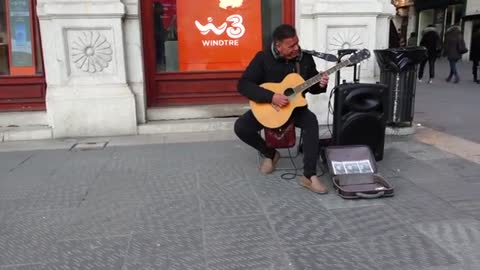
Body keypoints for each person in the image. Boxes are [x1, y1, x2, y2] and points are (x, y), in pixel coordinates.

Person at [234, 24, 329, 194]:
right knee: (241, 127)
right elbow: (244, 85)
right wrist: (271, 97)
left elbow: (311, 88)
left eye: (297, 43)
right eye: (291, 46)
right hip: (268, 107)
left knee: (311, 122)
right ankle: (270, 154)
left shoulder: (305, 59)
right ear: (278, 46)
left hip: (295, 108)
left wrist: (321, 85)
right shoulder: (263, 58)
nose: (296, 48)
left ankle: (309, 176)